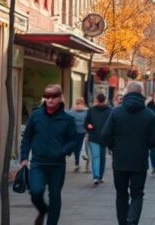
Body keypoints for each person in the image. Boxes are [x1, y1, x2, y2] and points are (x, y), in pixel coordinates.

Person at [17, 84, 78, 225]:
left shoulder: (67, 119)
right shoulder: (36, 115)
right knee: (35, 191)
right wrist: (24, 157)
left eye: (53, 97)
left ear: (60, 98)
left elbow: (74, 140)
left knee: (55, 196)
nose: (50, 100)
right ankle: (43, 209)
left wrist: (62, 151)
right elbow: (27, 137)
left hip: (57, 165)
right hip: (38, 163)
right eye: (47, 97)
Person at [102, 81, 155, 225]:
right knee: (137, 194)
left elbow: (105, 135)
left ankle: (123, 222)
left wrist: (113, 147)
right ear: (142, 94)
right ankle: (132, 221)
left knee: (121, 194)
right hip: (139, 161)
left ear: (127, 93)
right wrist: (144, 145)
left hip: (120, 160)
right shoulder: (149, 114)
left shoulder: (116, 112)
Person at [85, 93, 112, 185]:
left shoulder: (91, 110)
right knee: (102, 157)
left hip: (94, 136)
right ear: (105, 100)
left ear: (96, 100)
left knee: (96, 157)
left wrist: (90, 128)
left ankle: (95, 177)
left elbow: (87, 123)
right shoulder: (109, 110)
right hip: (104, 137)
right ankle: (100, 176)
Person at [67, 98, 89, 172]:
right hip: (82, 132)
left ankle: (77, 163)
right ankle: (78, 162)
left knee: (76, 147)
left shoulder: (72, 110)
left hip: (75, 132)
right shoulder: (87, 111)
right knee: (79, 147)